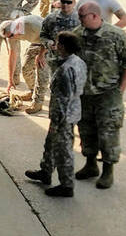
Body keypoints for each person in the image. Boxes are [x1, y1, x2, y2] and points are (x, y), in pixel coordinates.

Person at [74, 0, 126, 189]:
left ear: (94, 16)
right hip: (85, 94)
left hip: (108, 95)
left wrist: (121, 88)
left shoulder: (116, 35)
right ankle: (90, 164)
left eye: (82, 16)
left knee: (108, 132)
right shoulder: (78, 34)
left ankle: (108, 171)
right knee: (86, 129)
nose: (79, 19)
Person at [25, 32, 87, 196]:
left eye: (58, 43)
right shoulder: (78, 62)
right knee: (51, 143)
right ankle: (45, 171)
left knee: (63, 149)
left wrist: (58, 117)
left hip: (63, 115)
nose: (55, 45)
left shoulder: (66, 69)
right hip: (70, 111)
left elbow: (64, 96)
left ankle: (66, 185)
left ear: (64, 46)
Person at [37, 0, 80, 105]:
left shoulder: (81, 20)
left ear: (74, 3)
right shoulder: (51, 18)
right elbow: (43, 35)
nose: (65, 4)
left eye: (69, 2)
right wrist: (48, 44)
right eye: (63, 1)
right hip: (53, 59)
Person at [0, 13, 46, 111]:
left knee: (42, 71)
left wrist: (41, 55)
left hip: (50, 42)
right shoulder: (10, 34)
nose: (10, 39)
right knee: (26, 69)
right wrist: (10, 80)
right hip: (37, 41)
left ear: (16, 28)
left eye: (11, 36)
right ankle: (33, 91)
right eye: (7, 37)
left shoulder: (32, 25)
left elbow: (51, 37)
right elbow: (12, 55)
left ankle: (37, 103)